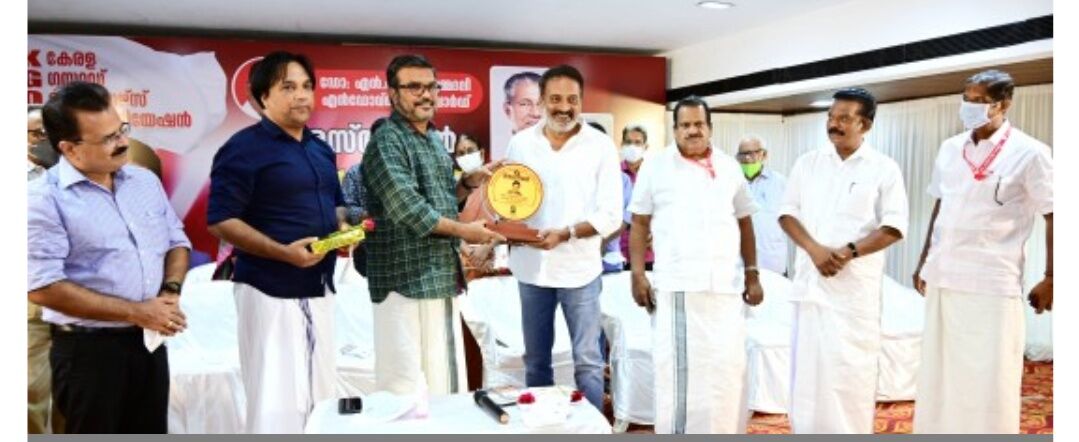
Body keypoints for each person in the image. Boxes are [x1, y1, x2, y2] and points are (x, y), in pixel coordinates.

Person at [28, 81, 191, 433]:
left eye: (122, 130)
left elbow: (177, 242)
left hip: (149, 344)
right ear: (69, 148)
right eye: (107, 139)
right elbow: (43, 287)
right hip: (88, 354)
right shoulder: (43, 199)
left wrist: (170, 291)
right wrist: (137, 311)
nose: (122, 143)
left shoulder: (143, 181)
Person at [207, 51, 344, 433]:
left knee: (321, 398)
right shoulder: (242, 148)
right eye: (288, 87)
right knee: (276, 402)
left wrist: (347, 226)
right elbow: (221, 220)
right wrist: (282, 252)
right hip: (269, 291)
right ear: (262, 97)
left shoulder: (319, 148)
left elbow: (335, 205)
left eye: (307, 86)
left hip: (319, 286)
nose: (302, 95)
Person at [912, 69, 1053, 434]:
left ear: (1003, 104)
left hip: (992, 281)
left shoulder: (1031, 152)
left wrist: (1052, 277)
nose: (970, 106)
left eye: (980, 101)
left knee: (989, 376)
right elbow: (940, 206)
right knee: (941, 373)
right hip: (944, 275)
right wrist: (924, 260)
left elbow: (1056, 214)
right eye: (967, 99)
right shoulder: (950, 148)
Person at [362, 54, 505, 397]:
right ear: (393, 93)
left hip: (440, 275)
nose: (426, 94)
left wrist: (467, 183)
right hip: (403, 279)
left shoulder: (433, 139)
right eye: (414, 87)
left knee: (445, 384)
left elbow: (441, 202)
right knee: (402, 387)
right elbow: (409, 210)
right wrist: (467, 232)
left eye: (431, 87)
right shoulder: (387, 140)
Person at [629, 96, 764, 434]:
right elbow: (640, 223)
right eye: (685, 125)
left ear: (710, 128)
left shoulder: (729, 167)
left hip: (725, 289)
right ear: (675, 130)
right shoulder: (656, 166)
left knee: (726, 371)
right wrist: (638, 274)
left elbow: (745, 221)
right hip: (679, 288)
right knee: (681, 377)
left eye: (699, 124)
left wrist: (752, 273)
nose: (693, 131)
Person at [778, 87, 909, 434]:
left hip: (854, 293)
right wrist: (814, 249)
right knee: (808, 374)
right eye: (831, 117)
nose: (834, 124)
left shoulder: (884, 168)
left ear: (865, 124)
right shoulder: (808, 163)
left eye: (844, 118)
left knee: (849, 373)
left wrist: (848, 252)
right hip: (811, 285)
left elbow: (894, 227)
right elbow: (787, 213)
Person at [504, 64, 623, 410]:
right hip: (532, 268)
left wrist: (567, 233)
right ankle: (542, 425)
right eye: (555, 99)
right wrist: (507, 225)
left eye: (572, 99)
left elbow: (611, 215)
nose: (564, 107)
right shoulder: (520, 143)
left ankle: (591, 428)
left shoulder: (600, 146)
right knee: (536, 361)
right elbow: (512, 202)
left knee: (587, 361)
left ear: (581, 101)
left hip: (580, 270)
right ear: (542, 101)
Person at [736, 135, 789, 275]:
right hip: (740, 266)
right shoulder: (731, 183)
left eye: (752, 153)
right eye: (742, 154)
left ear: (764, 155)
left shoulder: (780, 183)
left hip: (773, 263)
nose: (747, 158)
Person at [618, 124, 653, 271]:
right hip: (619, 252)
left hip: (648, 252)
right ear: (622, 144)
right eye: (628, 142)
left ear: (646, 146)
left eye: (638, 142)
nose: (632, 146)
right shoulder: (613, 173)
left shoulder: (654, 174)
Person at [492, 71, 543, 160]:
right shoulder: (497, 155)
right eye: (524, 104)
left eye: (541, 104)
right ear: (508, 110)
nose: (536, 113)